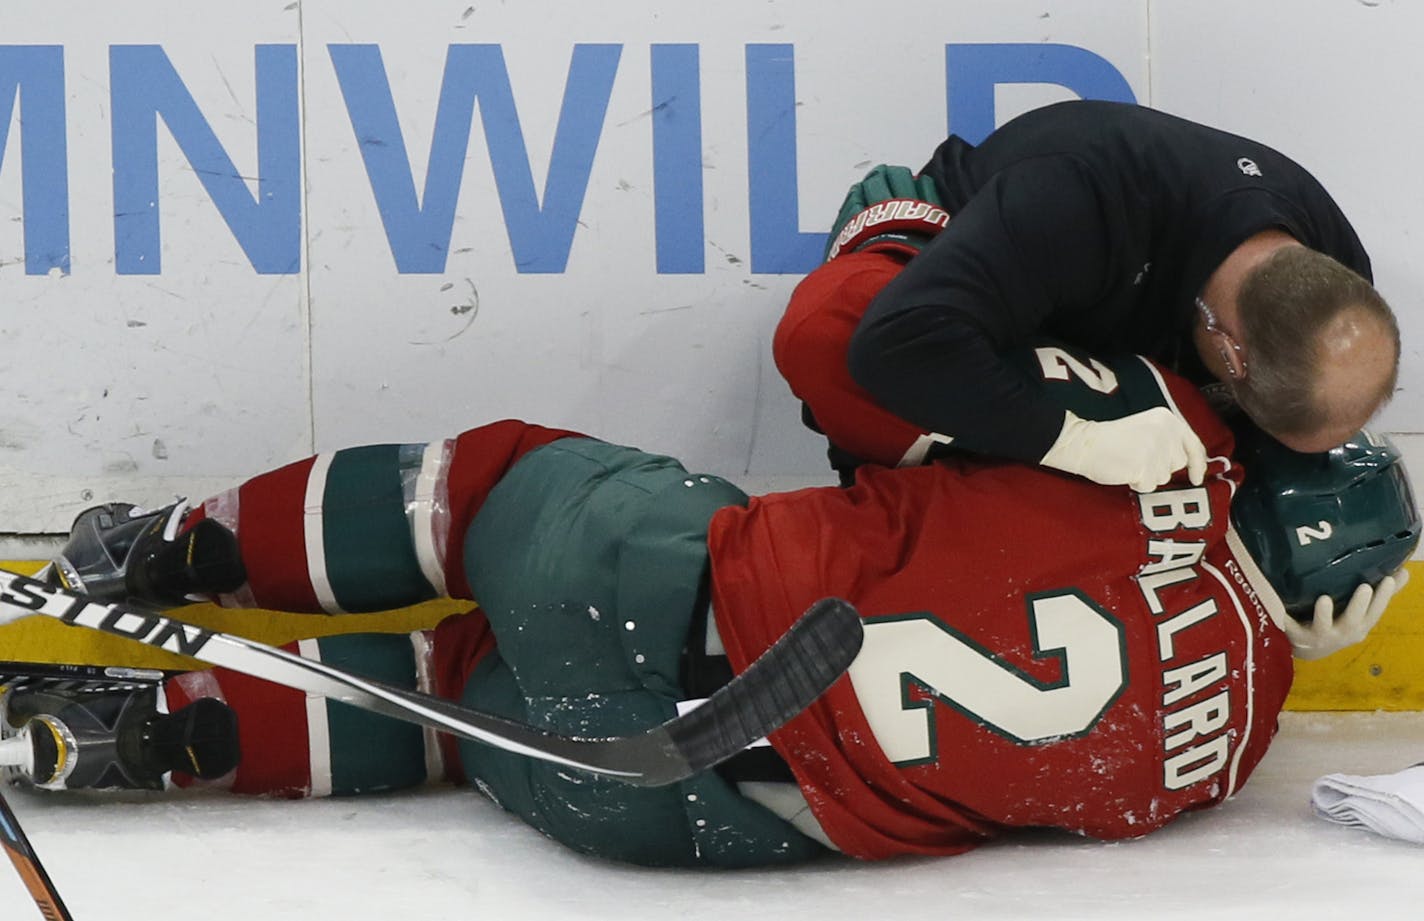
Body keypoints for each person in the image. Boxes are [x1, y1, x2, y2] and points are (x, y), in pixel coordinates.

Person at [1, 342, 1417, 867]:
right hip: (674, 805)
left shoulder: (1159, 446)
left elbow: (859, 347)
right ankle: (169, 736)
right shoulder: (1229, 752)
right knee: (457, 706)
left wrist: (903, 213)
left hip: (660, 587)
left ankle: (174, 550)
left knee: (489, 492)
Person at [783, 100, 1400, 494]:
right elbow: (894, 346)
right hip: (960, 271)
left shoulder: (1336, 261)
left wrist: (1276, 589)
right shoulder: (1080, 201)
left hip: (1111, 318)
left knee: (1192, 462)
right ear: (1230, 357)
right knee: (841, 338)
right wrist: (1074, 442)